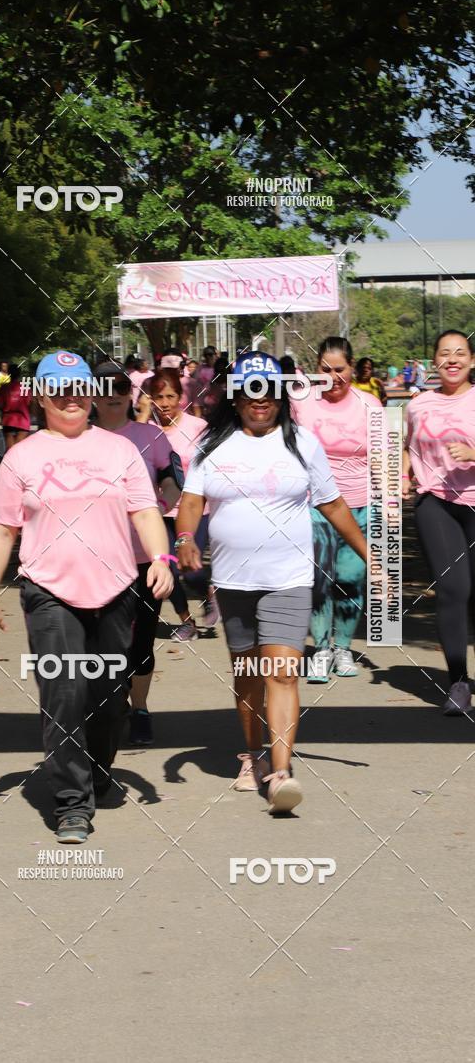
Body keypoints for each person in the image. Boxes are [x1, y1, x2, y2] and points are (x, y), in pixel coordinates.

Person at [0, 351, 173, 843]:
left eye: (79, 389)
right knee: (63, 692)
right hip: (48, 592)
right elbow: (2, 531)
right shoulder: (21, 457)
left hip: (116, 589)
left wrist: (160, 558)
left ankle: (99, 765)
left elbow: (146, 510)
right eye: (59, 390)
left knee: (109, 698)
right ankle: (71, 803)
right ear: (42, 396)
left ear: (90, 394)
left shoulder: (119, 451)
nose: (71, 399)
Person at [177, 352, 367, 814]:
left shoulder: (303, 442)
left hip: (289, 578)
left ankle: (281, 774)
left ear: (281, 396)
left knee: (282, 671)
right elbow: (190, 500)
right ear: (237, 396)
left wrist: (370, 555)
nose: (259, 401)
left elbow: (333, 503)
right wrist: (183, 537)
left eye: (268, 391)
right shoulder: (214, 442)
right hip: (234, 579)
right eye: (250, 391)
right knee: (248, 676)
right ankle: (253, 754)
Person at [93, 361, 180, 746]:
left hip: (144, 557)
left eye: (119, 386)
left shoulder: (150, 436)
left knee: (141, 641)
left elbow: (172, 479)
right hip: (94, 559)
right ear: (91, 395)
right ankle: (107, 710)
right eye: (103, 387)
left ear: (130, 393)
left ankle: (140, 707)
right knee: (101, 642)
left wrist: (163, 507)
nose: (112, 393)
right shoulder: (79, 437)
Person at [293, 337, 380, 680]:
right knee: (318, 579)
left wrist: (391, 493)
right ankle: (321, 649)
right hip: (315, 505)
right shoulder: (302, 400)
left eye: (340, 370)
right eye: (325, 370)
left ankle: (343, 648)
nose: (332, 377)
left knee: (351, 578)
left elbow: (383, 455)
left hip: (360, 504)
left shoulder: (369, 404)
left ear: (352, 367)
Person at [403, 329, 475, 715]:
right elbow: (407, 445)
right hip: (435, 502)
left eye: (460, 352)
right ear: (434, 362)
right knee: (452, 589)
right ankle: (458, 683)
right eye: (445, 353)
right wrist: (400, 477)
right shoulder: (419, 405)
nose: (452, 359)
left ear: (472, 360)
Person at [146, 367, 219, 639]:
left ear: (181, 397)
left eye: (170, 396)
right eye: (158, 397)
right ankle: (186, 621)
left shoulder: (197, 428)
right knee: (167, 568)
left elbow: (214, 465)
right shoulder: (147, 430)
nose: (164, 403)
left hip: (195, 510)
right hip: (160, 512)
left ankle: (208, 592)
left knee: (192, 570)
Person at [0, 363, 32, 450]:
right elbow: (30, 403)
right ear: (19, 374)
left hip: (8, 420)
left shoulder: (3, 388)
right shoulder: (25, 387)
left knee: (10, 450)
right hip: (23, 420)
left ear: (8, 373)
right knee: (19, 449)